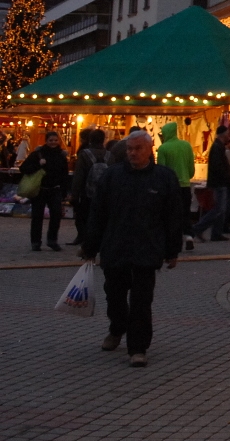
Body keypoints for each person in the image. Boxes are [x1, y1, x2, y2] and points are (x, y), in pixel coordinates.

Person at [81, 129, 182, 367]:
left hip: (147, 249)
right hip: (116, 247)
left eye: (138, 149)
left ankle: (138, 348)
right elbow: (98, 214)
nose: (133, 153)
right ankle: (117, 328)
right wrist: (89, 247)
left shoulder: (164, 178)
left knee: (141, 301)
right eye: (129, 149)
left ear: (150, 150)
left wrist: (172, 250)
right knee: (114, 295)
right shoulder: (113, 176)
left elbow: (173, 217)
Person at [22, 131, 71, 251]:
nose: (53, 143)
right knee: (37, 217)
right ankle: (35, 242)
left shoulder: (61, 155)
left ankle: (52, 240)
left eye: (55, 140)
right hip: (40, 189)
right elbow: (23, 168)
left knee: (56, 215)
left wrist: (64, 191)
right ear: (46, 141)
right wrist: (38, 165)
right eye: (51, 140)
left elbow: (64, 174)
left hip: (55, 189)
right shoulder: (38, 154)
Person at [155, 122, 195, 250]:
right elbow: (191, 169)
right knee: (185, 212)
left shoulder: (163, 148)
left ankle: (174, 241)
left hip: (171, 186)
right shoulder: (186, 146)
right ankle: (189, 236)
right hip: (185, 185)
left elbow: (162, 169)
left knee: (171, 214)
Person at [191, 127, 230, 242]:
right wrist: (227, 177)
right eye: (227, 134)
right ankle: (197, 228)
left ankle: (216, 233)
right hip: (219, 183)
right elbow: (218, 167)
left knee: (220, 209)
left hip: (219, 182)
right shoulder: (217, 148)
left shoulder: (218, 147)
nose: (228, 136)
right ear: (223, 135)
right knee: (218, 209)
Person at [69, 129, 109, 246]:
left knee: (83, 215)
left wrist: (74, 195)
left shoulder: (85, 154)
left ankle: (84, 237)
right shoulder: (109, 155)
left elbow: (79, 176)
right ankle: (98, 238)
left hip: (87, 192)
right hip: (103, 192)